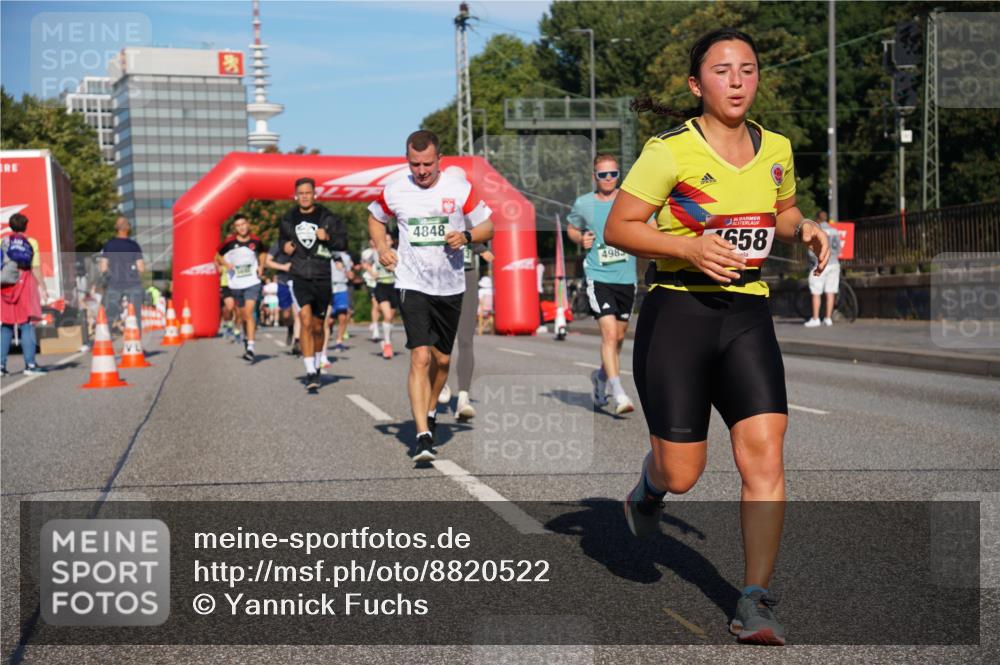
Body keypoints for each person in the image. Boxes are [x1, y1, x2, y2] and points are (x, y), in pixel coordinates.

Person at [604, 28, 830, 646]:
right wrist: (688, 246)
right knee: (684, 472)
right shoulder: (670, 150)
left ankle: (753, 598)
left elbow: (780, 212)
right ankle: (649, 490)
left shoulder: (777, 147)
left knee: (765, 452)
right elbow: (620, 226)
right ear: (696, 84)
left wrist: (803, 227)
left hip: (747, 314)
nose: (737, 81)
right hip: (679, 312)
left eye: (748, 69)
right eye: (723, 71)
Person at [368, 129, 494, 462]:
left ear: (439, 159)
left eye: (427, 164)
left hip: (450, 285)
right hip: (412, 283)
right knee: (420, 357)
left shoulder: (459, 187)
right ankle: (423, 436)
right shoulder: (395, 189)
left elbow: (488, 227)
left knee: (442, 360)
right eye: (414, 164)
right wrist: (382, 247)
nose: (421, 171)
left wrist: (466, 236)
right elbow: (375, 218)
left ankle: (433, 407)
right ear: (407, 160)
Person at [567, 153, 637, 415]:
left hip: (627, 278)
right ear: (594, 176)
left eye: (613, 174)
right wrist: (580, 238)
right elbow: (572, 227)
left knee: (618, 337)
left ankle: (600, 377)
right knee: (609, 334)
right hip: (598, 276)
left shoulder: (629, 200)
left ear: (619, 174)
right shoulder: (584, 203)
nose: (608, 179)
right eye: (602, 175)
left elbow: (650, 225)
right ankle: (618, 393)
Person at [279, 177, 347, 391]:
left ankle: (317, 363)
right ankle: (309, 371)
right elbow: (282, 242)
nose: (305, 196)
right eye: (301, 193)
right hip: (299, 274)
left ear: (314, 194)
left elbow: (343, 243)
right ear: (296, 195)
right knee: (306, 322)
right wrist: (285, 248)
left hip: (322, 275)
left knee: (319, 327)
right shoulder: (288, 218)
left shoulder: (327, 216)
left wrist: (327, 236)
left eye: (308, 193)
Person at [440, 240, 494, 418]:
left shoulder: (473, 212)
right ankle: (440, 382)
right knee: (439, 337)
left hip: (466, 272)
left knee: (465, 339)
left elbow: (481, 228)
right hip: (437, 274)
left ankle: (463, 399)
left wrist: (480, 247)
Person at [215, 214, 266, 362]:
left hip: (252, 282)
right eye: (238, 225)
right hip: (236, 283)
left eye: (243, 224)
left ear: (248, 224)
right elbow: (218, 255)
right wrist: (225, 264)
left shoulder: (256, 240)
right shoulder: (230, 242)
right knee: (243, 315)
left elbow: (263, 252)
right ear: (235, 228)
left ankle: (250, 348)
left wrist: (261, 266)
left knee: (249, 313)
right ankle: (245, 337)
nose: (241, 227)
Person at [1, 213, 47, 376]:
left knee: (6, 325)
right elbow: (35, 268)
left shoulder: (3, 241)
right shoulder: (31, 242)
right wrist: (43, 286)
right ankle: (30, 365)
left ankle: (1, 366)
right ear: (25, 226)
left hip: (5, 286)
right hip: (24, 283)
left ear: (11, 226)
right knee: (26, 324)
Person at [99, 216, 144, 335]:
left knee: (109, 314)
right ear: (128, 228)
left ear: (116, 229)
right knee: (135, 315)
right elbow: (141, 268)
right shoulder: (134, 246)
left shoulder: (109, 245)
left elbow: (103, 267)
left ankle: (104, 342)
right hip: (133, 284)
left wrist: (107, 278)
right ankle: (136, 346)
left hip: (114, 283)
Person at [804, 211, 842, 327]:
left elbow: (811, 252)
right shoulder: (835, 231)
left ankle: (815, 319)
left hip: (820, 264)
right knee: (830, 292)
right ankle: (828, 318)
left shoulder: (817, 231)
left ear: (817, 220)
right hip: (834, 263)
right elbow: (839, 248)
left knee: (816, 291)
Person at [265, 242, 299, 353]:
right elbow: (268, 261)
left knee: (298, 313)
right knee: (286, 315)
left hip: (298, 281)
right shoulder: (277, 244)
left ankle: (297, 342)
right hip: (283, 282)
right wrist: (283, 267)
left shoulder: (301, 241)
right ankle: (290, 328)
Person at [370, 235, 399, 359]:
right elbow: (365, 264)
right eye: (384, 240)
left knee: (390, 318)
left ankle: (387, 341)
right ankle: (387, 344)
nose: (386, 242)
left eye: (388, 240)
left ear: (392, 242)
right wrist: (372, 272)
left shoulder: (397, 253)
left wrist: (394, 268)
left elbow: (402, 267)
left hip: (395, 286)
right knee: (386, 315)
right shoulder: (376, 253)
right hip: (381, 285)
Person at [360, 239, 382, 342]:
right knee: (375, 303)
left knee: (381, 306)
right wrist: (373, 274)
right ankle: (376, 329)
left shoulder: (383, 250)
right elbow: (364, 265)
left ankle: (375, 322)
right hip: (371, 280)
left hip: (383, 280)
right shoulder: (366, 253)